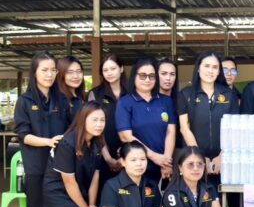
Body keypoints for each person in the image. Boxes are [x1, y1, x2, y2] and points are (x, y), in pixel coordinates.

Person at [14, 51, 71, 207]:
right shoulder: (25, 101)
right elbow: (23, 135)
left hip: (58, 168)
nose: (49, 74)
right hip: (36, 167)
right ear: (34, 73)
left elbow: (69, 130)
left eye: (52, 70)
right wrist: (48, 142)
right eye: (44, 70)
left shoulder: (61, 100)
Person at [177, 51, 238, 178]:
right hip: (194, 161)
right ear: (198, 69)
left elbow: (234, 129)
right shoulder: (185, 94)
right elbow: (184, 128)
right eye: (206, 66)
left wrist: (222, 156)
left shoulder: (229, 94)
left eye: (215, 67)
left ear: (219, 71)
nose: (210, 71)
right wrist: (199, 157)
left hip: (224, 161)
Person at [117, 55, 177, 184]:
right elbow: (125, 136)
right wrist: (154, 157)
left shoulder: (166, 101)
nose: (147, 80)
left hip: (163, 168)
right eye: (143, 76)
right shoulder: (125, 102)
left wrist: (166, 162)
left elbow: (170, 131)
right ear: (134, 76)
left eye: (151, 76)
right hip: (137, 166)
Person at [88, 54, 126, 181]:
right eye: (105, 70)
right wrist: (108, 158)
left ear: (121, 68)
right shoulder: (95, 94)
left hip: (129, 156)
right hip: (102, 154)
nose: (109, 73)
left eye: (113, 68)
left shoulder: (131, 93)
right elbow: (93, 128)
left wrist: (124, 156)